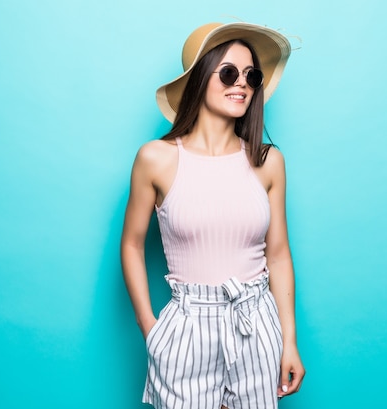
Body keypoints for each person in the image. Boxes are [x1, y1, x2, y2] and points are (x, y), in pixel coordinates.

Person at [121, 21, 305, 409]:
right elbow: (133, 244)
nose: (242, 84)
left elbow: (279, 254)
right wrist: (150, 329)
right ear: (199, 78)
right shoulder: (156, 158)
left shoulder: (268, 162)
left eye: (251, 75)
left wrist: (288, 340)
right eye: (228, 72)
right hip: (186, 329)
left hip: (256, 326)